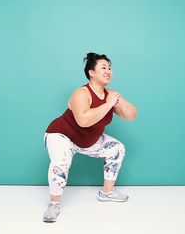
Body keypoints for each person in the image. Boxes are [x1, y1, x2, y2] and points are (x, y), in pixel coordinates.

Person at [43, 52, 137, 222]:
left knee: (117, 148)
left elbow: (131, 116)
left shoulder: (110, 95)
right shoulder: (81, 93)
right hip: (62, 135)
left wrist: (120, 102)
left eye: (109, 68)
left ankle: (107, 193)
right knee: (61, 163)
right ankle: (53, 204)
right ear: (91, 73)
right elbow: (84, 120)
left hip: (87, 141)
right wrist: (108, 103)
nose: (108, 71)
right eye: (103, 67)